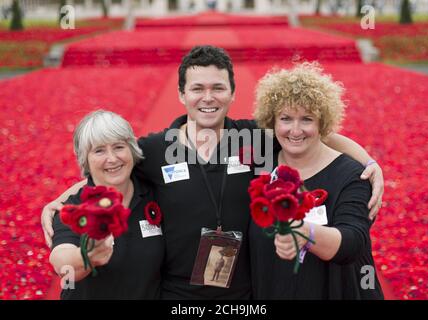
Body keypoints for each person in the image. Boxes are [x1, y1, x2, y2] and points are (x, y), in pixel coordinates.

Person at [42, 46, 383, 299]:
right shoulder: (156, 149)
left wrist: (368, 163)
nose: (208, 97)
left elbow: (310, 131)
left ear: (232, 93)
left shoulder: (254, 138)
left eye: (218, 88)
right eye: (197, 88)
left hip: (245, 297)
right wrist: (62, 199)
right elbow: (113, 166)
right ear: (182, 94)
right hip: (178, 298)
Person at [249, 62, 384, 299]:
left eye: (307, 119)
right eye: (286, 118)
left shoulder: (351, 175)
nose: (295, 130)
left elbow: (353, 242)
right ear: (272, 121)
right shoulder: (260, 164)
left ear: (322, 123)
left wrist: (305, 233)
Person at [50, 110, 164, 299]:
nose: (111, 158)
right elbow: (63, 262)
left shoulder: (154, 192)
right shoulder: (74, 209)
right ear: (84, 159)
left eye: (119, 147)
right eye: (99, 150)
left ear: (132, 150)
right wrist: (87, 255)